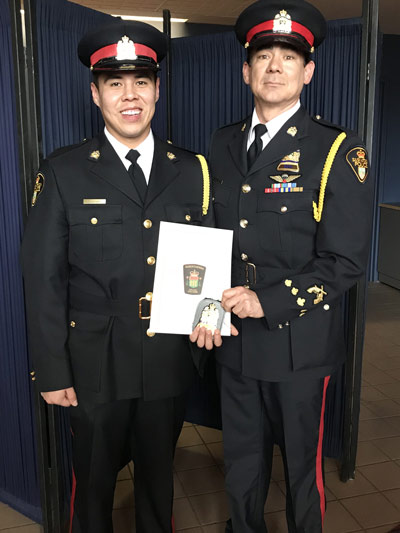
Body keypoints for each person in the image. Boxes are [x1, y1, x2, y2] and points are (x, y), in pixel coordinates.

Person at [21, 20, 213, 533]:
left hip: (166, 357)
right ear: (95, 92)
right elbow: (42, 280)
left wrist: (206, 323)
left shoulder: (193, 169)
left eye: (141, 82)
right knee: (94, 487)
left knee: (157, 481)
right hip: (93, 365)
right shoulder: (63, 172)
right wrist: (52, 371)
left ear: (157, 89)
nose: (130, 96)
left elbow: (215, 262)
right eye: (114, 83)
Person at [192, 0, 375, 531]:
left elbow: (344, 261)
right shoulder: (222, 143)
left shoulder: (337, 150)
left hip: (298, 345)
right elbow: (210, 239)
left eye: (288, 57)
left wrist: (266, 300)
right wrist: (202, 304)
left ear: (308, 71)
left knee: (301, 471)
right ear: (246, 69)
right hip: (234, 341)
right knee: (242, 465)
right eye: (263, 56)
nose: (274, 67)